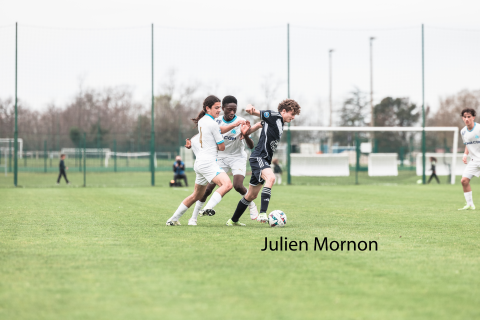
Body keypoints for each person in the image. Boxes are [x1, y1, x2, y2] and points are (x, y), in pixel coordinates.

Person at [184, 95, 258, 226]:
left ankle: (252, 205)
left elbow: (251, 145)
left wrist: (245, 134)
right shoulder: (216, 121)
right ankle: (193, 218)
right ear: (222, 108)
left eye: (234, 109)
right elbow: (202, 134)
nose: (232, 112)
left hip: (237, 157)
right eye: (229, 109)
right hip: (220, 158)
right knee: (207, 189)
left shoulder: (241, 121)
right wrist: (191, 142)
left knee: (238, 186)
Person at [227, 99, 301, 226]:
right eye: (292, 114)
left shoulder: (278, 122)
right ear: (284, 111)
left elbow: (258, 126)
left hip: (263, 159)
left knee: (251, 196)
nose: (293, 117)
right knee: (271, 178)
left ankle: (233, 221)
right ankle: (262, 213)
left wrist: (246, 133)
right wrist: (250, 107)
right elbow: (254, 111)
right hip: (259, 157)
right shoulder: (274, 116)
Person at [166, 95, 235, 226]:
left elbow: (201, 136)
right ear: (207, 108)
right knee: (227, 185)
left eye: (219, 107)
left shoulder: (202, 121)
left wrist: (191, 142)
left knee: (196, 196)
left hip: (199, 163)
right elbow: (221, 147)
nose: (219, 110)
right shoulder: (213, 124)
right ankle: (207, 208)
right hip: (208, 163)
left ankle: (173, 219)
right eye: (216, 108)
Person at [459, 108, 480, 210]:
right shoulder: (463, 131)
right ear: (463, 118)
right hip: (474, 161)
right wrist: (465, 154)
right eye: (465, 117)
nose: (467, 119)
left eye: (469, 117)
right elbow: (467, 144)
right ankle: (470, 204)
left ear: (473, 117)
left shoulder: (479, 128)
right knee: (464, 181)